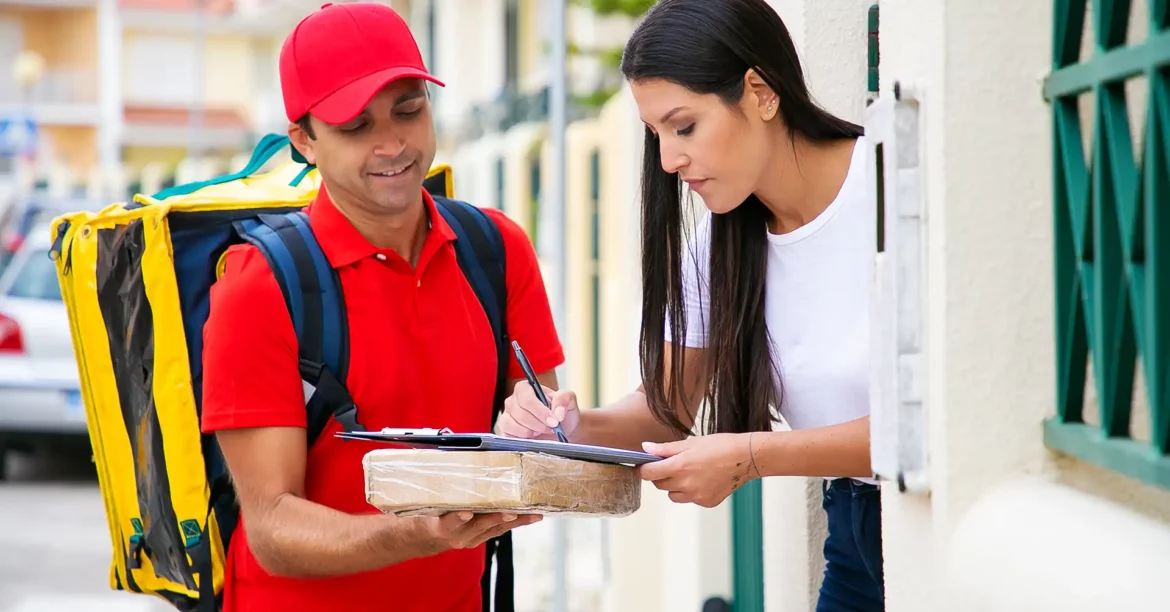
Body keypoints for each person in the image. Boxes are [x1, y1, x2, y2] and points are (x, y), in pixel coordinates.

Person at [498, 0, 882, 610]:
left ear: (760, 92)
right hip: (856, 533)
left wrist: (751, 456)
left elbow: (934, 425)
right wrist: (569, 425)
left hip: (932, 532)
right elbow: (666, 406)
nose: (668, 161)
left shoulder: (888, 192)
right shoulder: (721, 244)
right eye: (656, 135)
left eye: (684, 127)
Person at [199, 3, 564, 611]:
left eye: (408, 110)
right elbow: (271, 530)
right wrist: (414, 532)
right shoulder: (258, 287)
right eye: (354, 126)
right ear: (304, 142)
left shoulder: (497, 251)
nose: (392, 143)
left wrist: (553, 441)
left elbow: (536, 440)